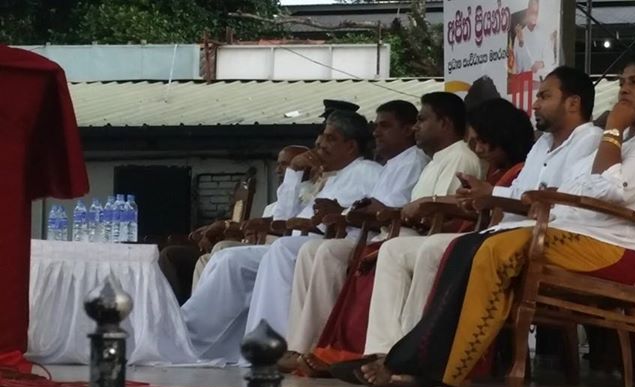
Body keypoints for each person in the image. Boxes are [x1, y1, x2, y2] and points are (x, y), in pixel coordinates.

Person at [358, 52, 635, 387]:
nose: (624, 90)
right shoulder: (623, 141)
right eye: (621, 82)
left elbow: (607, 191)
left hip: (618, 251)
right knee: (469, 244)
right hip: (579, 234)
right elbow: (580, 187)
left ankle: (440, 368)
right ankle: (414, 357)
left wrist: (613, 129)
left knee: (494, 249)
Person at [358, 66, 602, 363]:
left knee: (434, 249)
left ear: (573, 103)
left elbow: (558, 205)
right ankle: (384, 351)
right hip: (505, 233)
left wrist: (491, 197)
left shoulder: (591, 141)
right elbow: (519, 194)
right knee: (394, 250)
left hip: (544, 240)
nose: (535, 103)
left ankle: (415, 358)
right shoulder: (543, 145)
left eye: (544, 96)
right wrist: (488, 192)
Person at [180, 110, 382, 364]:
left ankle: (273, 346)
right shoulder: (331, 177)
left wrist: (337, 215)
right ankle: (187, 336)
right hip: (298, 241)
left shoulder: (368, 171)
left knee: (281, 249)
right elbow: (283, 217)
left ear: (351, 146)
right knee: (228, 259)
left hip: (332, 244)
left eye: (330, 138)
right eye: (321, 137)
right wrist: (293, 172)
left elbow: (368, 215)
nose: (320, 143)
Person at [242, 100, 433, 357]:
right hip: (353, 233)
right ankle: (299, 344)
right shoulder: (390, 164)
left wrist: (340, 214)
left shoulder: (393, 165)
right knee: (300, 250)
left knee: (308, 250)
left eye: (384, 126)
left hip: (374, 235)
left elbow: (386, 210)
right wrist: (336, 210)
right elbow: (289, 216)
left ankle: (313, 345)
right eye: (375, 126)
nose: (376, 132)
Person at [157, 145, 309, 304]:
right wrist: (243, 231)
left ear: (306, 166)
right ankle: (196, 309)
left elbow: (283, 224)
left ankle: (201, 310)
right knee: (204, 259)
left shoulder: (307, 196)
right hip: (260, 246)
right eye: (279, 165)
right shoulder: (273, 205)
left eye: (285, 165)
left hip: (284, 251)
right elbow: (256, 228)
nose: (278, 170)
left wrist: (226, 226)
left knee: (221, 250)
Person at [513, 0, 556, 81]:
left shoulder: (544, 33)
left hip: (542, 80)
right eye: (532, 12)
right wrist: (521, 42)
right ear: (527, 12)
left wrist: (542, 63)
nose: (534, 15)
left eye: (536, 12)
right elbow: (519, 64)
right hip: (525, 82)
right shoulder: (519, 36)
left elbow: (551, 58)